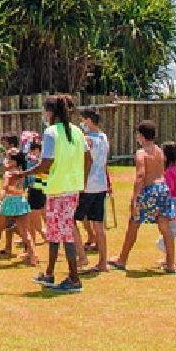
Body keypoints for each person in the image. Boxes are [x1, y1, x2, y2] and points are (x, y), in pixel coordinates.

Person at [19, 94, 90, 293]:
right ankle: (49, 273)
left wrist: (22, 173)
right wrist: (81, 182)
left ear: (50, 112)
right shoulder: (77, 131)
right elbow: (88, 159)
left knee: (64, 234)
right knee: (54, 233)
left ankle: (74, 279)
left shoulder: (51, 133)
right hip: (71, 188)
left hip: (58, 189)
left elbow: (46, 163)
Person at [109, 121, 176, 274]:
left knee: (134, 223)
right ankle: (171, 264)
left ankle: (122, 259)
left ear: (141, 135)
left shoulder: (141, 153)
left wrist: (134, 198)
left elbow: (141, 175)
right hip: (163, 189)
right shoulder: (160, 151)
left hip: (149, 190)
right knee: (165, 227)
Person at [0, 148, 35, 265]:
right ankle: (33, 256)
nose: (5, 161)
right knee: (25, 232)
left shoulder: (8, 173)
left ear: (14, 161)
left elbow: (4, 188)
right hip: (21, 202)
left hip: (9, 203)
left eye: (8, 158)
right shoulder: (22, 172)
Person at [75, 110, 110, 273]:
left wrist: (81, 183)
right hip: (100, 185)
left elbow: (86, 162)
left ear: (89, 120)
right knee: (99, 224)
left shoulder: (87, 140)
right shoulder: (103, 137)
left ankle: (81, 256)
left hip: (88, 186)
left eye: (83, 120)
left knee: (72, 220)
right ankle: (103, 262)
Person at [24, 139, 47, 246]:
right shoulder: (41, 160)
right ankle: (31, 247)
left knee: (34, 223)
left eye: (33, 150)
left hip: (36, 191)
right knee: (30, 222)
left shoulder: (38, 161)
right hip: (36, 191)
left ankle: (49, 239)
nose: (31, 152)